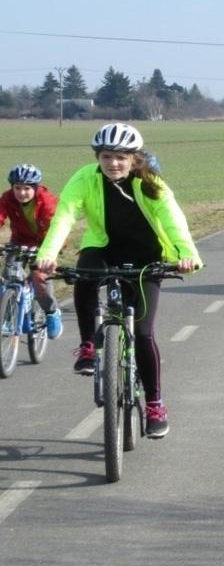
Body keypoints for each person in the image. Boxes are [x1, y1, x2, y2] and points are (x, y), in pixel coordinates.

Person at [36, 123, 202, 439]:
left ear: (134, 158)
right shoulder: (84, 178)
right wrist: (48, 254)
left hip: (146, 257)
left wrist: (187, 254)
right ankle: (88, 345)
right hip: (104, 247)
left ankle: (154, 404)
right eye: (107, 156)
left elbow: (173, 219)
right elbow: (65, 217)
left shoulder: (151, 183)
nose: (114, 163)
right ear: (98, 157)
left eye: (121, 157)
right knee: (85, 275)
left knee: (142, 333)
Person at [0, 164, 63, 339]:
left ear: (35, 188)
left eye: (27, 188)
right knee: (9, 276)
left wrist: (52, 250)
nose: (21, 193)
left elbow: (55, 226)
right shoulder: (7, 198)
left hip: (45, 243)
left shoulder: (47, 201)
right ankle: (8, 315)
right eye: (17, 188)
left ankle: (51, 313)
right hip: (19, 242)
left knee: (39, 279)